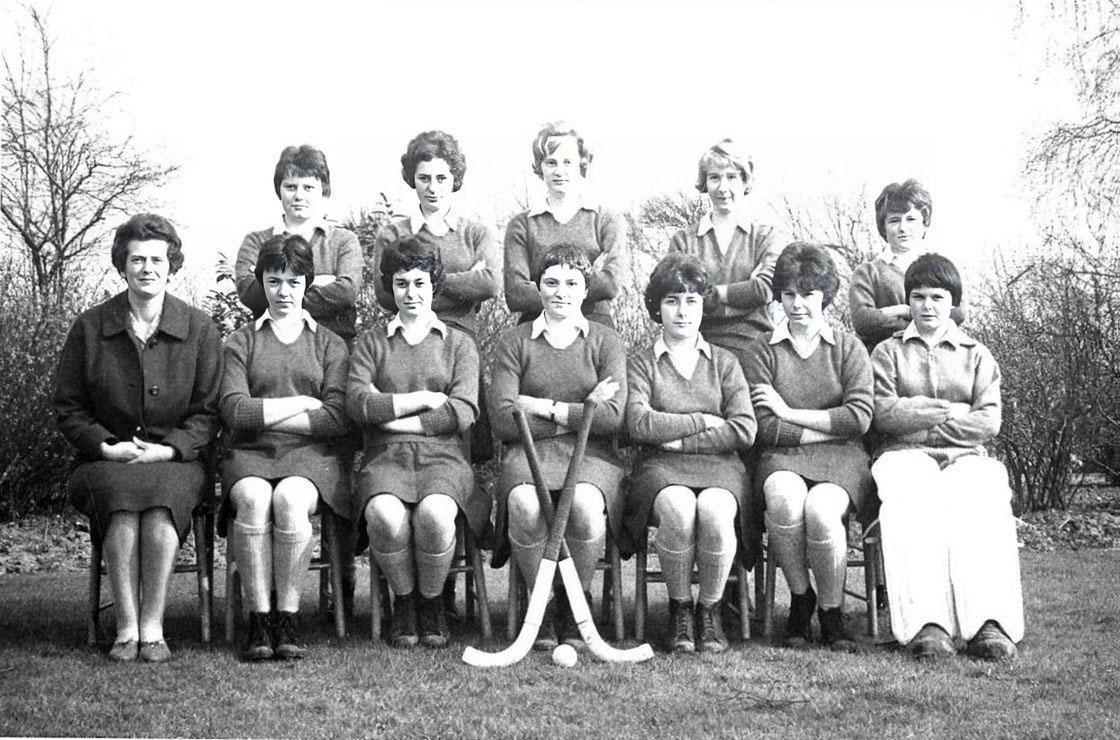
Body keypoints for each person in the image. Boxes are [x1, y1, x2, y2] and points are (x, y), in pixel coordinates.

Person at [54, 214, 222, 663]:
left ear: (172, 266)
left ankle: (153, 627)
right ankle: (126, 627)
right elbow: (68, 407)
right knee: (122, 506)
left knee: (162, 508)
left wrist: (169, 449)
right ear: (122, 265)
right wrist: (105, 445)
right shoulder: (90, 327)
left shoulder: (200, 329)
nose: (147, 268)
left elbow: (208, 411)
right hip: (105, 460)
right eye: (137, 259)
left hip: (176, 461)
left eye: (157, 260)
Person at [870, 253, 1022, 661]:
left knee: (985, 488)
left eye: (938, 297)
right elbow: (883, 414)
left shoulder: (977, 354)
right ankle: (927, 625)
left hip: (965, 456)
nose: (928, 306)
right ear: (908, 301)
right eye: (918, 297)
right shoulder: (887, 353)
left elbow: (988, 422)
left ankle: (989, 624)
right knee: (910, 495)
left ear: (953, 302)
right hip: (903, 454)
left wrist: (916, 416)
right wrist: (949, 411)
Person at [234, 143, 362, 614]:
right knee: (261, 491)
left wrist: (285, 288)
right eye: (291, 186)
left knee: (335, 472)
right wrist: (314, 283)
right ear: (279, 191)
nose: (299, 195)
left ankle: (340, 587)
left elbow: (349, 290)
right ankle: (259, 591)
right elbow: (249, 294)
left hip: (330, 360)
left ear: (324, 192)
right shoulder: (256, 238)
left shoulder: (343, 239)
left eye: (309, 186)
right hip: (270, 357)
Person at [346, 236, 484, 649]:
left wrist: (387, 417)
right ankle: (404, 601)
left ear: (434, 284)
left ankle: (431, 602)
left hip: (445, 457)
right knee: (384, 515)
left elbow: (461, 411)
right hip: (384, 458)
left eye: (420, 283)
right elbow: (357, 403)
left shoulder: (459, 344)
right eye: (401, 283)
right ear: (390, 287)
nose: (411, 293)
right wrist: (423, 399)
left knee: (436, 515)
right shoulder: (372, 342)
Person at [219, 234, 352, 661]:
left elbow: (336, 417)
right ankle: (259, 619)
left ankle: (288, 617)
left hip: (311, 458)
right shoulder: (241, 341)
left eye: (294, 282)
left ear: (307, 284)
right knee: (254, 498)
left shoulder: (329, 343)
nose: (283, 292)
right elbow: (234, 412)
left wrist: (264, 413)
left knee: (292, 500)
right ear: (261, 282)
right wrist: (302, 404)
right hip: (250, 454)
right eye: (274, 281)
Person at [490, 244, 627, 649]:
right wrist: (583, 409)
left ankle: (574, 601)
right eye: (551, 282)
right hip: (528, 456)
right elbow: (503, 420)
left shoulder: (606, 342)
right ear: (538, 288)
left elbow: (611, 418)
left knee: (584, 504)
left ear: (585, 290)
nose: (561, 292)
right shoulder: (514, 342)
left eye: (571, 283)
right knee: (524, 504)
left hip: (592, 457)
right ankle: (543, 603)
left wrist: (539, 407)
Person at [623, 253, 757, 653]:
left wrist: (679, 439)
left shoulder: (726, 363)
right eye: (672, 301)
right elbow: (639, 424)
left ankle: (709, 611)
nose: (682, 312)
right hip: (660, 467)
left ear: (703, 306)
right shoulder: (641, 363)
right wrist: (703, 420)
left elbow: (744, 429)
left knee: (716, 510)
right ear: (657, 307)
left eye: (692, 301)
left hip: (720, 466)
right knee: (679, 509)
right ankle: (680, 608)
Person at [743, 243, 874, 651]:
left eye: (808, 294)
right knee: (783, 499)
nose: (797, 305)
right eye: (788, 294)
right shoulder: (761, 350)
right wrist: (828, 427)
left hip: (843, 459)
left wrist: (789, 412)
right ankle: (802, 598)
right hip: (781, 456)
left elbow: (859, 418)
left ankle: (832, 612)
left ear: (825, 296)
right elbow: (765, 427)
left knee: (821, 510)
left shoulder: (848, 348)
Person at [667, 138, 785, 368]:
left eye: (731, 177)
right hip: (697, 350)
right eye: (714, 177)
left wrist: (706, 293)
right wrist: (744, 293)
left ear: (745, 181)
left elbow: (763, 290)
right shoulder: (684, 241)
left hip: (755, 350)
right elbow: (677, 298)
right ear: (705, 183)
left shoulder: (766, 237)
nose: (723, 187)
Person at [504, 121, 629, 327]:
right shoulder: (522, 225)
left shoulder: (605, 220)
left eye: (567, 162)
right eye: (551, 162)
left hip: (594, 325)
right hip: (537, 325)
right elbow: (517, 294)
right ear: (540, 166)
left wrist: (546, 288)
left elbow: (611, 284)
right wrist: (588, 280)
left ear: (581, 164)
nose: (559, 171)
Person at [849, 179, 967, 351]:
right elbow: (864, 321)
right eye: (894, 220)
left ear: (924, 223)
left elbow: (958, 313)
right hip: (883, 359)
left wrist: (902, 312)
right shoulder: (867, 272)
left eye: (911, 219)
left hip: (937, 356)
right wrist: (923, 319)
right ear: (883, 227)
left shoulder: (944, 268)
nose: (903, 228)